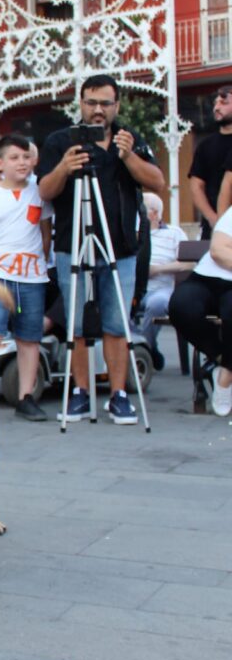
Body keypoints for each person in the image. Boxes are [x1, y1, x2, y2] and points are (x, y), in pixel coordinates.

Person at [38, 74, 165, 425]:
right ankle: (80, 393)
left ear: (116, 106)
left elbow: (157, 182)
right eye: (91, 102)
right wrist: (64, 166)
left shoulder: (130, 139)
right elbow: (45, 191)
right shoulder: (61, 140)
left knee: (115, 323)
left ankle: (119, 394)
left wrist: (128, 157)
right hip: (72, 244)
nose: (98, 110)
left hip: (120, 246)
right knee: (76, 324)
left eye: (105, 103)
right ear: (80, 103)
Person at [0, 134, 52, 421]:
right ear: (0, 163)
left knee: (29, 338)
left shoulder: (40, 191)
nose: (22, 163)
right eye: (14, 158)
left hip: (32, 277)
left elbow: (45, 233)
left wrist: (41, 263)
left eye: (26, 157)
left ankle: (26, 396)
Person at [169, 205, 232, 416]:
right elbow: (218, 251)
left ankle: (225, 378)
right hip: (206, 277)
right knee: (182, 306)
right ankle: (224, 361)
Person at [139, 192, 191, 371]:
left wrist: (157, 270)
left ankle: (145, 348)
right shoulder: (131, 232)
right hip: (132, 288)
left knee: (158, 303)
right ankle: (147, 349)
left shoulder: (174, 233)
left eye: (141, 209)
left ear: (153, 213)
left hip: (160, 289)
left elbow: (188, 263)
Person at [188, 84, 232, 239]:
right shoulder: (206, 145)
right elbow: (196, 185)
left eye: (223, 103)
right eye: (215, 103)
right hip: (213, 226)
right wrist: (213, 218)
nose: (217, 107)